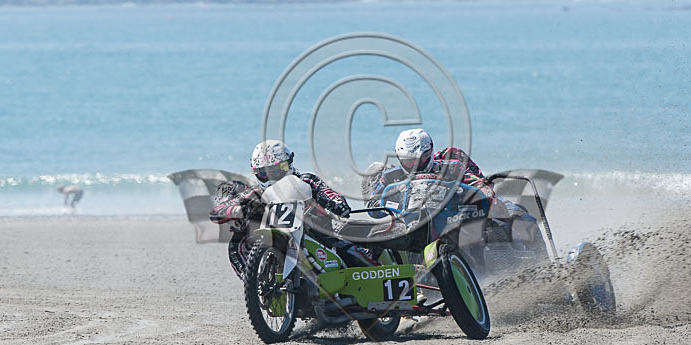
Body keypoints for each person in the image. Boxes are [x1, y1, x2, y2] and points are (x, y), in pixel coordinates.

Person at [210, 140, 378, 268]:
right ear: (256, 173)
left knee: (358, 257)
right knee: (236, 244)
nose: (271, 178)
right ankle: (258, 286)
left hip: (320, 236)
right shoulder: (255, 193)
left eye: (276, 171)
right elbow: (216, 212)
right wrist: (236, 209)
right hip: (277, 242)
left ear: (288, 165)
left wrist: (337, 203)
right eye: (264, 173)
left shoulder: (306, 180)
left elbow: (329, 193)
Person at [366, 128, 539, 243]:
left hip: (457, 221)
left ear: (429, 152)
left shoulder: (451, 166)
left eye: (419, 160)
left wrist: (487, 195)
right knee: (372, 240)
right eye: (407, 162)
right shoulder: (391, 176)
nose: (414, 166)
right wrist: (389, 203)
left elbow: (477, 183)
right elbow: (373, 205)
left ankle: (537, 270)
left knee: (522, 217)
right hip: (411, 226)